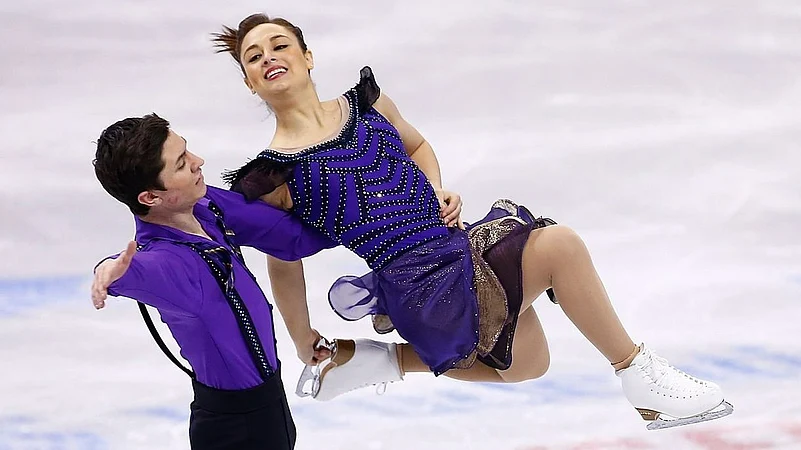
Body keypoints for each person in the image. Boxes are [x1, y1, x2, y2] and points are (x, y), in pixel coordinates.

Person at [208, 14, 733, 429]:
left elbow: (417, 146)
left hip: (455, 244)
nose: (268, 58)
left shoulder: (368, 104)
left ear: (307, 56)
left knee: (529, 363)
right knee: (559, 247)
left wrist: (434, 187)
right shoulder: (272, 173)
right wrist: (301, 339)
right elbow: (284, 259)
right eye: (254, 57)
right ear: (250, 82)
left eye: (278, 45)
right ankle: (640, 379)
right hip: (418, 282)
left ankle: (382, 362)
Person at [90, 113, 342, 449]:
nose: (198, 162)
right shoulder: (173, 264)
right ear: (151, 197)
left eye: (187, 152)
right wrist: (108, 271)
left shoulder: (207, 207)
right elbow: (138, 272)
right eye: (181, 164)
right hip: (234, 433)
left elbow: (290, 238)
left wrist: (379, 216)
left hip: (268, 409)